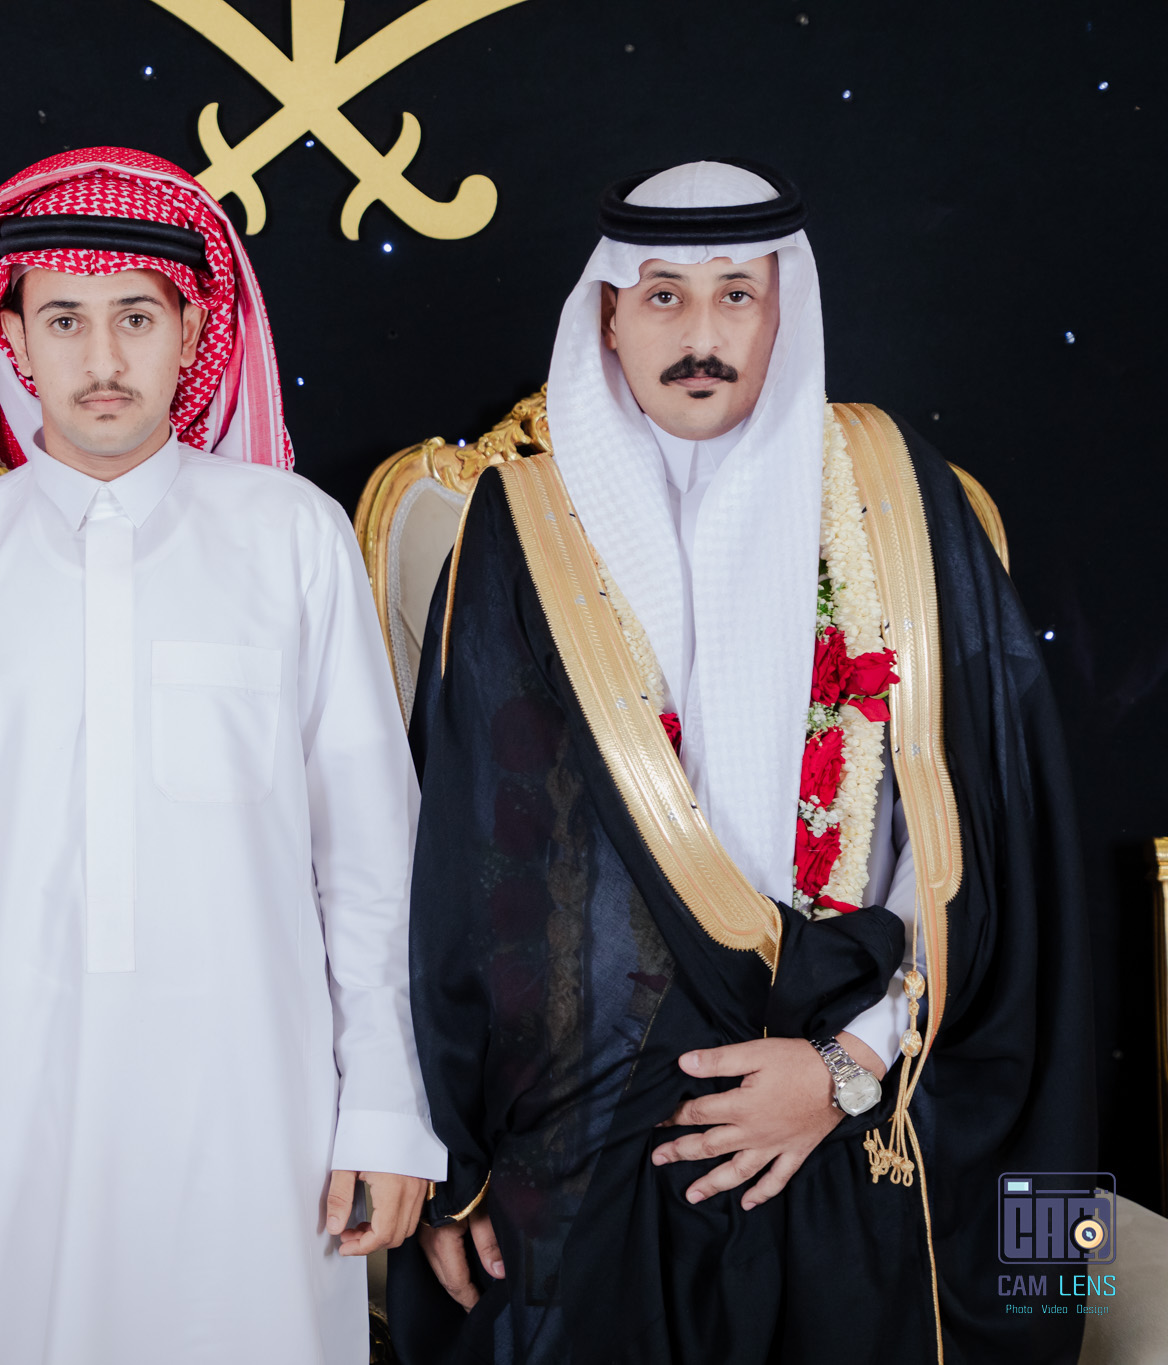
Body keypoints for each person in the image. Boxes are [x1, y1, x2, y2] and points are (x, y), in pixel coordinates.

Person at [388, 161, 1092, 1363]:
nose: (699, 338)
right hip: (596, 1103)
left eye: (735, 296)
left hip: (869, 1071)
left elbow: (983, 839)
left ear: (782, 312)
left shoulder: (896, 498)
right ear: (607, 316)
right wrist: (456, 1166)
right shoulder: (518, 529)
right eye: (662, 296)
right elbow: (464, 870)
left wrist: (844, 1065)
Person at [0, 147, 446, 1364]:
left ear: (192, 331)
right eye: (64, 321)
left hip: (259, 1119)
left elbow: (369, 861)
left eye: (135, 318)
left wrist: (386, 1112)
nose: (101, 359)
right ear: (11, 342)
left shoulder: (291, 539)